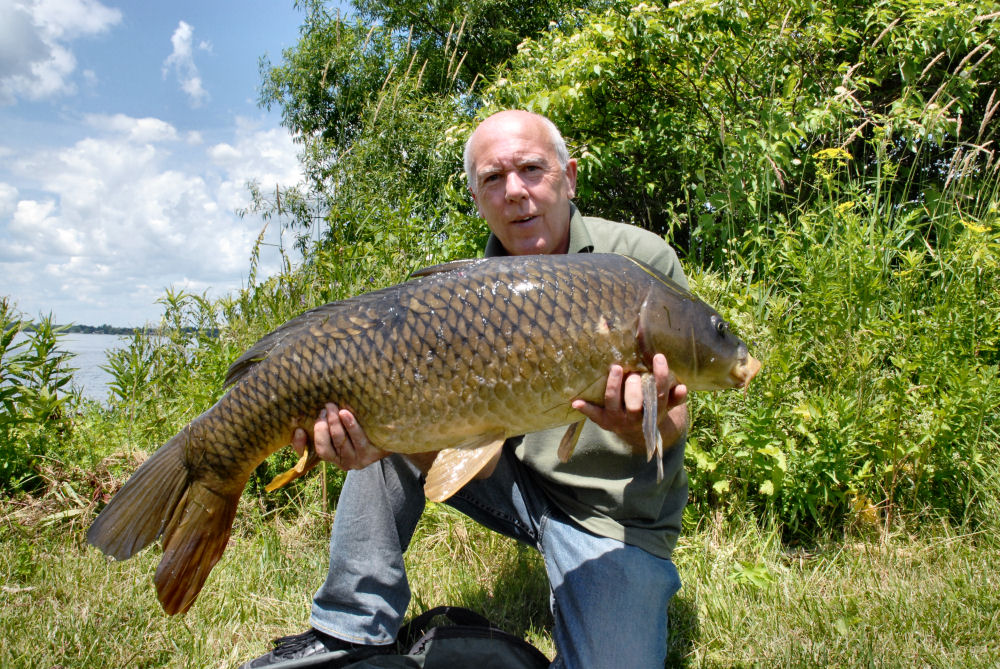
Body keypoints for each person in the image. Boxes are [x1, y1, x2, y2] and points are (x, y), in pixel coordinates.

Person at [241, 110, 690, 669]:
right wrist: (375, 441)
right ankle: (350, 630)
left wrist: (641, 425)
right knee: (385, 397)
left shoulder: (637, 265)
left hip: (611, 516)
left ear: (570, 177)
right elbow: (468, 452)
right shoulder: (467, 290)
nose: (515, 192)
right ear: (477, 199)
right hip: (514, 482)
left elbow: (676, 423)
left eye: (532, 169)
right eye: (493, 179)